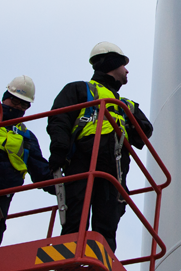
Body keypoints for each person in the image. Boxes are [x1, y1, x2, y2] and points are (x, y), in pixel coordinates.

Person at [47, 41, 153, 251]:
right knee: (76, 214)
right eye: (124, 64)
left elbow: (145, 131)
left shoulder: (127, 105)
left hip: (115, 166)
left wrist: (129, 126)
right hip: (83, 159)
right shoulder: (80, 89)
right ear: (112, 63)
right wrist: (58, 152)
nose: (127, 70)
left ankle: (101, 259)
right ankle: (70, 263)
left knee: (108, 220)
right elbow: (59, 119)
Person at [0, 75, 54, 252]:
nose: (19, 107)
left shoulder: (26, 136)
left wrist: (70, 186)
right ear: (4, 97)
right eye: (16, 101)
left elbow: (41, 172)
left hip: (0, 197)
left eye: (24, 105)